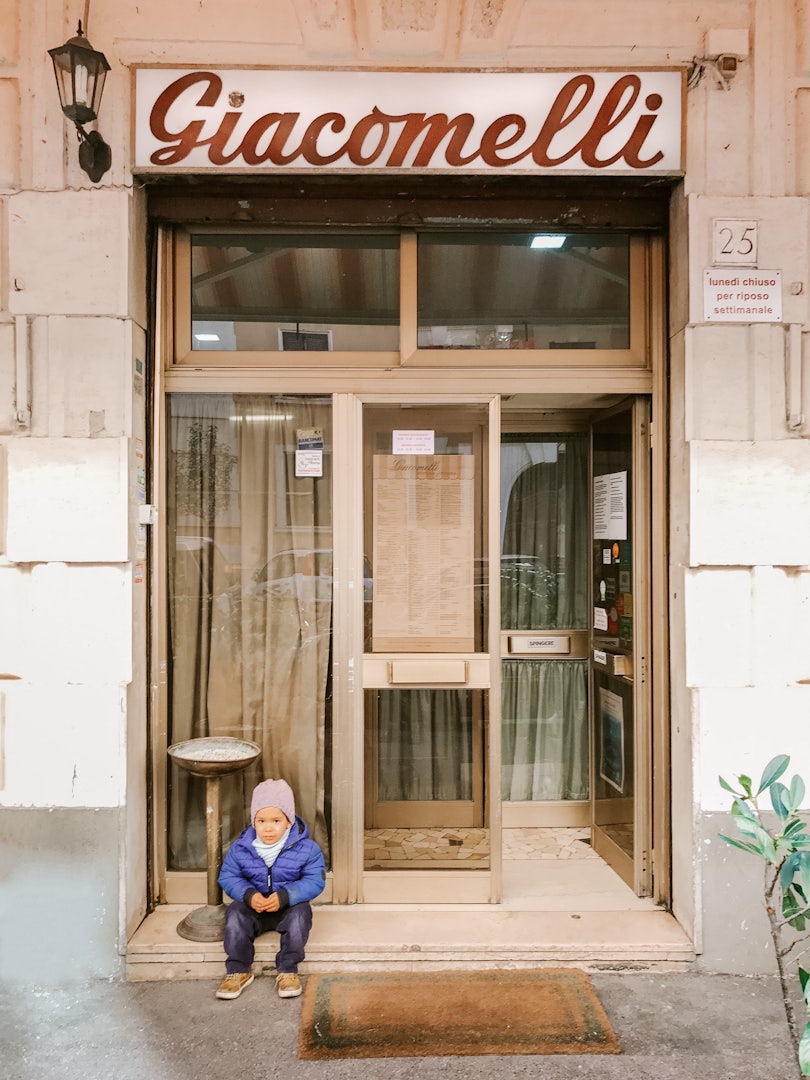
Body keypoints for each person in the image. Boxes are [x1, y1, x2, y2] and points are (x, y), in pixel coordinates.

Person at [215, 777, 326, 1001]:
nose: (267, 827)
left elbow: (315, 880)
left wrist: (286, 896)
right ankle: (239, 969)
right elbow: (228, 876)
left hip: (287, 906)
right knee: (235, 914)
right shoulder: (241, 848)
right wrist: (248, 895)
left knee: (300, 916)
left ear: (289, 822)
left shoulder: (306, 849)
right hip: (253, 906)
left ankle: (288, 970)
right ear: (253, 822)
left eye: (276, 820)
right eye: (261, 820)